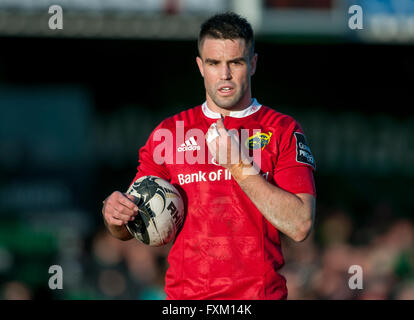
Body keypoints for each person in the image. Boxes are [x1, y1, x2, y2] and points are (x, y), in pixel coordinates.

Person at [102, 12, 316, 300]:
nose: (225, 75)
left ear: (252, 64)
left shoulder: (282, 129)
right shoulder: (169, 132)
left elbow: (300, 224)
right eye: (214, 63)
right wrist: (116, 217)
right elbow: (136, 220)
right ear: (201, 66)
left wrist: (239, 166)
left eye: (235, 63)